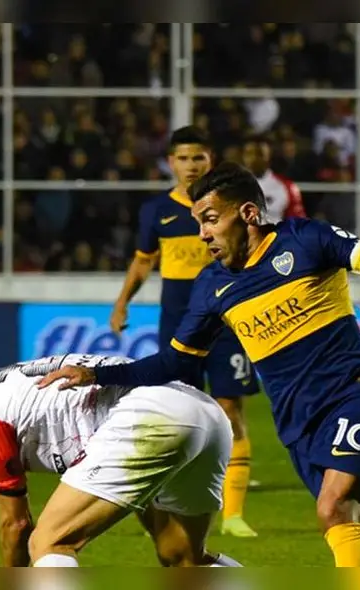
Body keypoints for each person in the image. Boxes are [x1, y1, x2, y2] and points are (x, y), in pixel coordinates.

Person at [37, 162, 360, 568]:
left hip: (357, 395)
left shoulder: (307, 241)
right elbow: (174, 363)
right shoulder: (213, 288)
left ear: (247, 213)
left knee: (334, 510)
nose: (201, 232)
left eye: (209, 219)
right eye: (198, 221)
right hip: (298, 427)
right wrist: (98, 375)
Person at [0, 353, 243, 568]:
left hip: (151, 416)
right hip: (205, 412)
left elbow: (16, 524)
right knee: (182, 559)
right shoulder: (5, 385)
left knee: (50, 541)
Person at [111, 126, 259, 538]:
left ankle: (233, 514)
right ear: (170, 162)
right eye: (183, 158)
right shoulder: (157, 211)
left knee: (230, 409)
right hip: (179, 327)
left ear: (211, 159)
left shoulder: (231, 207)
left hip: (230, 322)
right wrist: (122, 302)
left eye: (199, 157)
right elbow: (143, 262)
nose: (191, 165)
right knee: (177, 413)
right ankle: (171, 503)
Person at [241, 135, 306, 222]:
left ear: (269, 155)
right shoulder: (231, 187)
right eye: (249, 153)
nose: (253, 158)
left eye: (259, 154)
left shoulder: (287, 187)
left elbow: (298, 225)